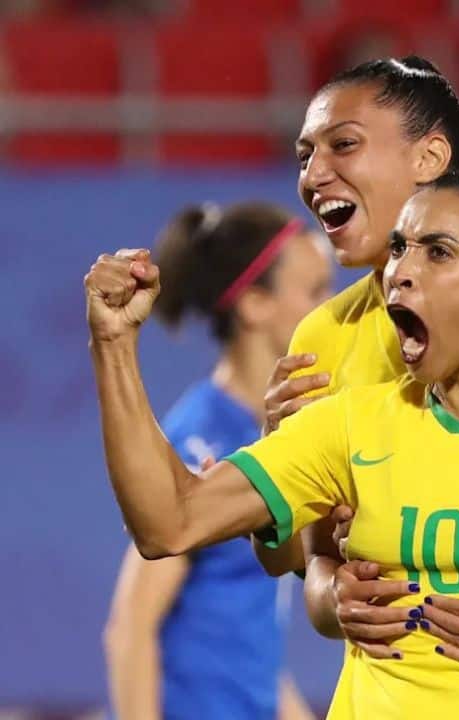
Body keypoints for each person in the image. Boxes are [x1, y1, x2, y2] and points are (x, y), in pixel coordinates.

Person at [84, 171, 459, 717]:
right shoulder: (350, 422)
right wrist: (113, 344)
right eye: (399, 249)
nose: (401, 273)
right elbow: (170, 521)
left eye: (438, 253)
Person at [101, 202, 331, 720]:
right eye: (315, 292)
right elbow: (130, 628)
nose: (332, 307)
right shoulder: (198, 438)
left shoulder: (270, 435)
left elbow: (252, 647)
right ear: (254, 305)